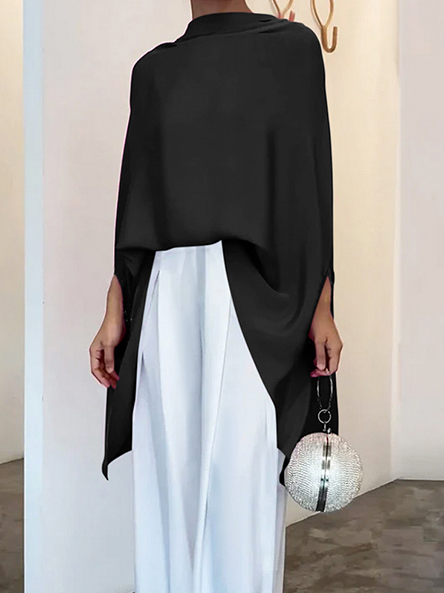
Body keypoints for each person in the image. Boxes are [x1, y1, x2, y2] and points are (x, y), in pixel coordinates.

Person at [89, 1, 343, 591]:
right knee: (170, 478)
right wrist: (116, 303)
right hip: (168, 294)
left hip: (258, 296)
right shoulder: (153, 71)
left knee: (242, 480)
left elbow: (310, 179)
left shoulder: (294, 50)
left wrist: (323, 299)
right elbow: (137, 196)